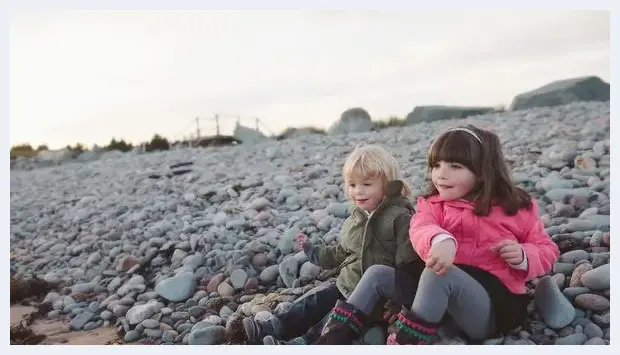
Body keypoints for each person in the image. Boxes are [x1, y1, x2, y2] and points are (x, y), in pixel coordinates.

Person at [310, 124, 560, 345]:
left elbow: (546, 248)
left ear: (483, 172)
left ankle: (406, 342)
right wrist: (440, 240)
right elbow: (420, 228)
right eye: (436, 165)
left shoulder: (514, 208)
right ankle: (331, 339)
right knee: (377, 274)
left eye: (455, 166)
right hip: (433, 304)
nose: (442, 173)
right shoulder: (432, 205)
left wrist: (524, 255)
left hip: (487, 309)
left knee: (440, 273)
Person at [242, 144, 423, 345]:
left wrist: (397, 304)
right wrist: (312, 250)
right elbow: (340, 252)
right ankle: (276, 326)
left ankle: (303, 343)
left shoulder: (400, 218)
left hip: (375, 300)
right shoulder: (356, 218)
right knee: (315, 302)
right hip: (347, 284)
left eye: (367, 184)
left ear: (388, 184)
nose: (358, 191)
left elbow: (410, 266)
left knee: (333, 320)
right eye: (353, 185)